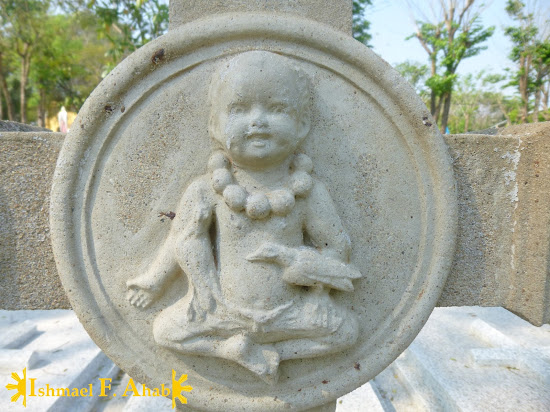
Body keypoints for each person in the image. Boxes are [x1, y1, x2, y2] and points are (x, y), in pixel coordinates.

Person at [126, 51, 361, 383]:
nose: (258, 121)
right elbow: (180, 239)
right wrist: (154, 280)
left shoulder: (309, 192)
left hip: (290, 313)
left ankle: (275, 355)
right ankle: (229, 349)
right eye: (239, 109)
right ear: (215, 126)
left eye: (277, 109)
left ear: (302, 125)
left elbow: (337, 247)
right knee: (165, 329)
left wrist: (320, 294)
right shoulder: (206, 189)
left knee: (346, 331)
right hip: (224, 312)